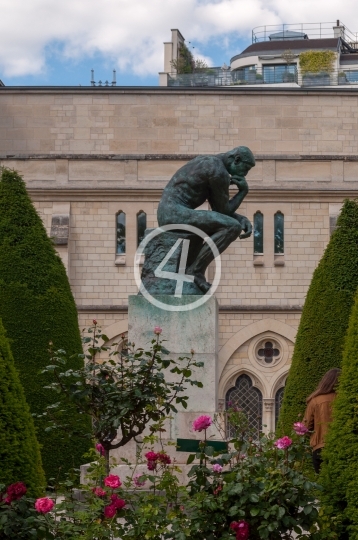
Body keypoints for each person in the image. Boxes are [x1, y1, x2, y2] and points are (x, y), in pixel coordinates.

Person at [157, 146, 255, 293]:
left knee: (230, 224)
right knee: (232, 228)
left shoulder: (208, 161)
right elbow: (223, 211)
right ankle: (195, 271)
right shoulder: (218, 171)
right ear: (236, 160)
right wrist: (243, 192)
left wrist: (240, 218)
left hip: (169, 211)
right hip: (173, 213)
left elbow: (219, 210)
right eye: (245, 168)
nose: (245, 174)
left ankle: (191, 269)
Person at [303, 368, 341, 473]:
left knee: (323, 484)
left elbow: (305, 428)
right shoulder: (344, 399)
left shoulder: (315, 401)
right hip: (341, 446)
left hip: (320, 447)